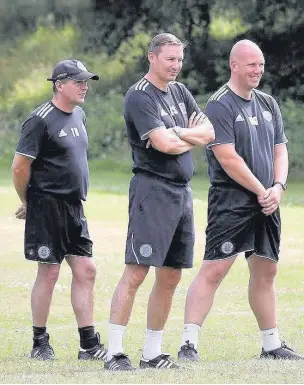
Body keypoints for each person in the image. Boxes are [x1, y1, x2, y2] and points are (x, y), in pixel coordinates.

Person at [177, 39, 304, 361]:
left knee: (266, 271)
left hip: (268, 201)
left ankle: (271, 344)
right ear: (234, 65)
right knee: (215, 270)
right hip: (232, 200)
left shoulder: (268, 103)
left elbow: (280, 150)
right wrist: (261, 190)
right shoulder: (220, 104)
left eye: (260, 64)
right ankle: (188, 343)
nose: (257, 70)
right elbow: (227, 156)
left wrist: (278, 186)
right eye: (251, 64)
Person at [103, 33, 215, 371]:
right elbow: (163, 144)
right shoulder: (139, 96)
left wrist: (177, 133)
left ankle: (152, 354)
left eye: (180, 59)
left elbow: (209, 132)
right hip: (152, 190)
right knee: (137, 272)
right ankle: (115, 352)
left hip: (182, 193)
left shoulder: (180, 92)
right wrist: (182, 135)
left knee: (170, 276)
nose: (177, 65)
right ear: (152, 57)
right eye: (170, 59)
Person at [12, 59, 107, 361]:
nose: (84, 87)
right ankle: (40, 342)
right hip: (46, 207)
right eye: (78, 81)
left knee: (86, 270)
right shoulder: (39, 120)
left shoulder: (79, 114)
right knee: (49, 273)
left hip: (74, 207)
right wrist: (28, 201)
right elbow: (19, 166)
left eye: (86, 81)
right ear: (59, 84)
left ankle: (88, 344)